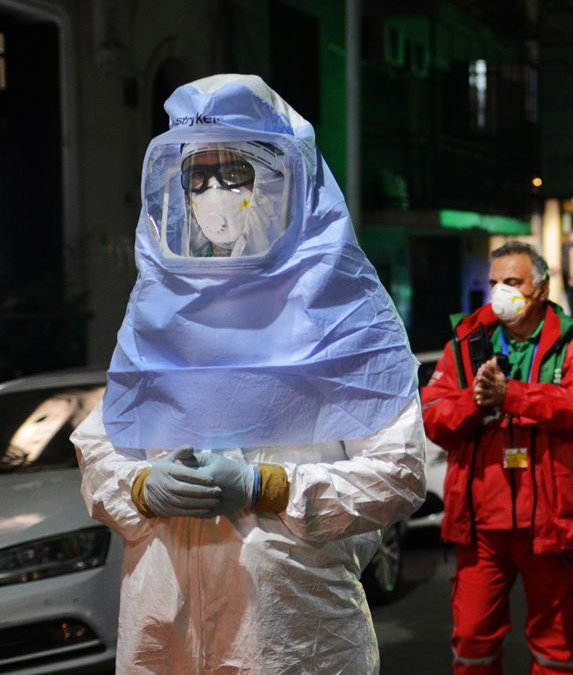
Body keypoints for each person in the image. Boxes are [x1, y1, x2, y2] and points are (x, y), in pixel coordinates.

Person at [71, 74, 426, 674]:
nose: (212, 193)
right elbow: (101, 444)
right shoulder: (162, 306)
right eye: (197, 176)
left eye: (234, 172)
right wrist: (138, 486)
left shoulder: (343, 312)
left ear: (285, 179)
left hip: (291, 634)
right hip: (164, 630)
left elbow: (398, 472)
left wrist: (269, 487)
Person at [422, 241, 573, 675]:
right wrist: (477, 402)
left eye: (512, 282)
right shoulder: (465, 344)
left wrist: (512, 395)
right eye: (493, 283)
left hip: (552, 523)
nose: (499, 293)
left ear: (541, 289)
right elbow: (434, 418)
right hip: (481, 526)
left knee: (557, 648)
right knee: (471, 642)